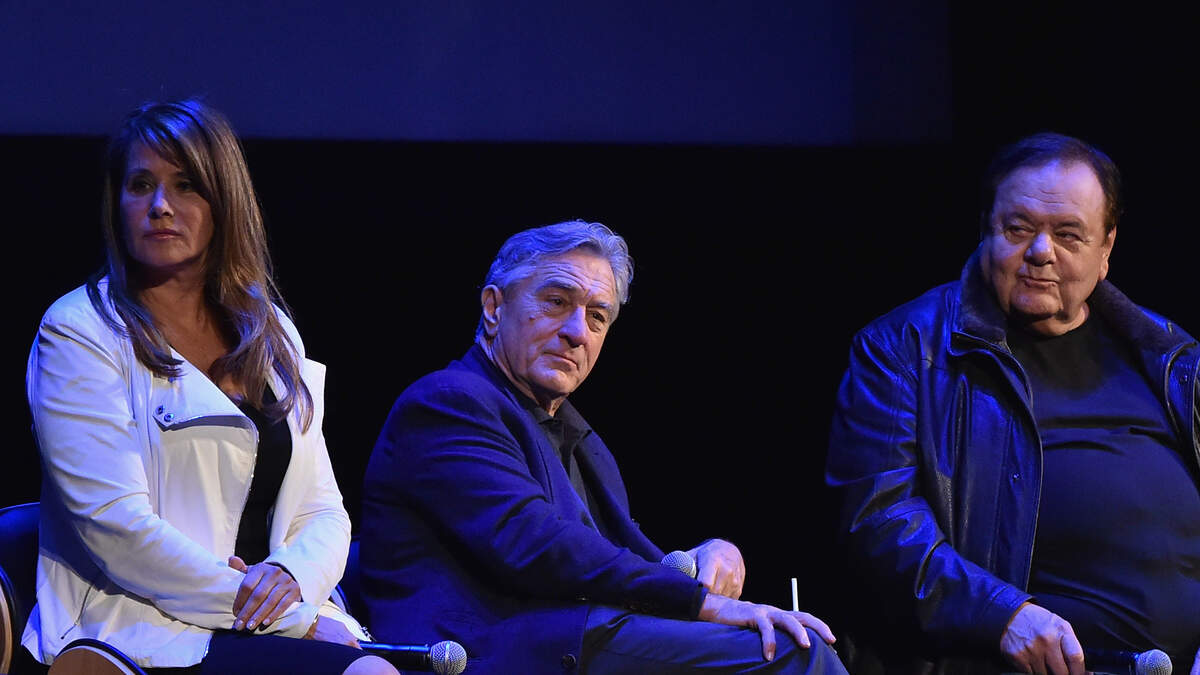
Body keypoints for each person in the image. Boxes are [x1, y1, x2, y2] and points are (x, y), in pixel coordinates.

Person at [360, 219, 845, 674]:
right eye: (556, 301)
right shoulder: (449, 402)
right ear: (494, 308)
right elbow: (537, 545)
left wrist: (706, 557)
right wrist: (702, 603)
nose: (577, 333)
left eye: (597, 317)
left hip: (572, 634)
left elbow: (616, 560)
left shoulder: (582, 441)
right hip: (496, 649)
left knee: (795, 638)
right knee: (796, 657)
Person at [20, 98, 396, 675]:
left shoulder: (269, 330)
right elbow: (117, 529)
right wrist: (283, 615)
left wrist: (292, 575)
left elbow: (322, 508)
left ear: (225, 202)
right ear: (117, 204)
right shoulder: (78, 333)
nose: (160, 206)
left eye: (186, 185)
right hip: (141, 628)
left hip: (267, 618)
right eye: (140, 185)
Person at [825, 132, 1200, 675]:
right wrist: (1002, 616)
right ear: (986, 231)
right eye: (1019, 229)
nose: (1041, 252)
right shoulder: (904, 349)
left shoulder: (1172, 359)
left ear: (1106, 249)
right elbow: (878, 524)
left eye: (1068, 234)